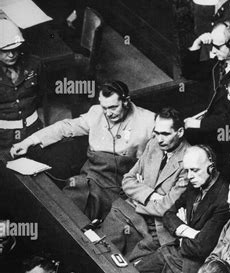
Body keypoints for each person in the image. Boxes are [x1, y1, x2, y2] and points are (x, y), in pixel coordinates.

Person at [10, 81, 155, 221]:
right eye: (104, 107)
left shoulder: (149, 122)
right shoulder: (96, 112)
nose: (108, 113)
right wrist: (28, 141)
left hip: (118, 182)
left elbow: (160, 159)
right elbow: (66, 127)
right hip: (90, 174)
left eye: (113, 107)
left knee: (92, 214)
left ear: (126, 101)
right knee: (66, 205)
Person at [134, 145, 230, 273]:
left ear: (211, 168)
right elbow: (168, 214)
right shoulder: (195, 185)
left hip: (192, 266)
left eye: (195, 170)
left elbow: (201, 247)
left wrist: (180, 233)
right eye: (187, 170)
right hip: (172, 251)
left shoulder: (224, 198)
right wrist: (188, 231)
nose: (190, 176)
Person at [97, 108, 190, 260]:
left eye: (165, 134)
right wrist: (153, 195)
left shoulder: (189, 159)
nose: (159, 139)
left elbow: (166, 208)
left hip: (157, 227)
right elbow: (127, 181)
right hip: (130, 211)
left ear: (179, 132)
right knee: (100, 248)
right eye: (157, 132)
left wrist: (138, 195)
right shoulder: (153, 144)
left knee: (125, 268)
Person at [183, 20, 230, 137]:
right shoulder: (221, 63)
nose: (212, 51)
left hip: (228, 134)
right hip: (210, 122)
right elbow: (190, 72)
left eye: (216, 46)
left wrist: (199, 124)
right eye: (211, 46)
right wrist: (197, 43)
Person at [0, 19, 42, 157]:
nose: (11, 55)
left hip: (32, 130)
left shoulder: (34, 64)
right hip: (3, 136)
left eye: (14, 50)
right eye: (5, 51)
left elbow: (42, 94)